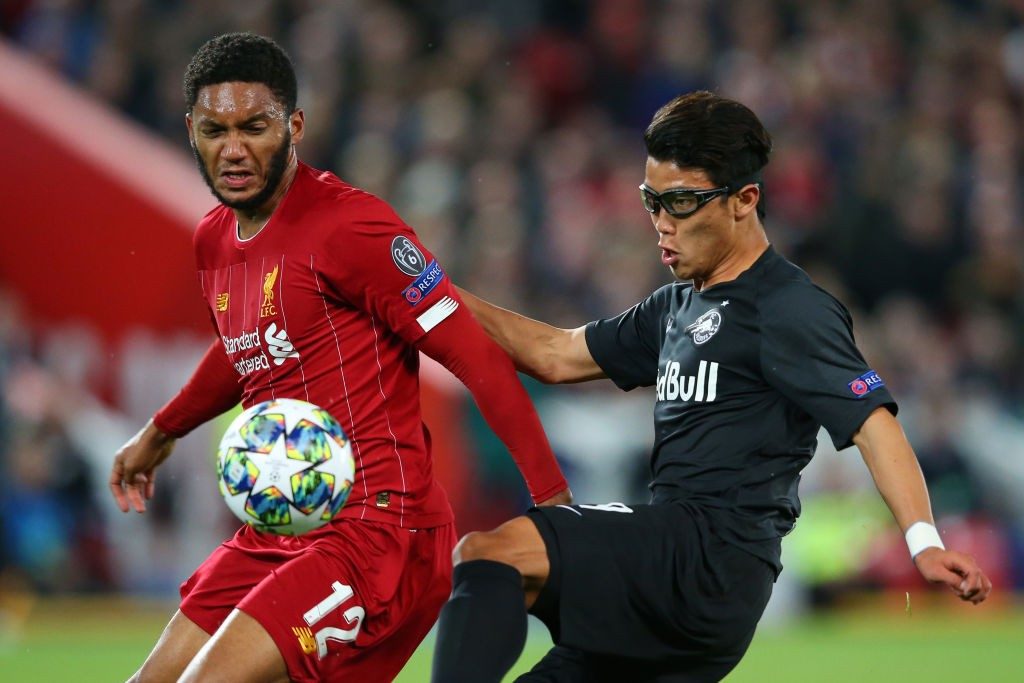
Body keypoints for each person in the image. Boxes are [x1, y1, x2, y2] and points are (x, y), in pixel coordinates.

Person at [430, 91, 992, 683]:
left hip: (710, 556)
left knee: (491, 553)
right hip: (681, 579)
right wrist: (421, 290)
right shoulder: (675, 306)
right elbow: (554, 354)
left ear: (744, 200)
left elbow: (875, 425)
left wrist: (923, 541)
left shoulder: (789, 308)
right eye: (653, 201)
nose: (662, 223)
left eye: (681, 202)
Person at [107, 32, 571, 683]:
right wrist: (161, 431)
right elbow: (246, 347)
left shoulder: (352, 228)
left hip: (379, 532)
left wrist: (553, 497)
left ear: (294, 125)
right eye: (215, 130)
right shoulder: (212, 238)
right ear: (190, 130)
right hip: (280, 523)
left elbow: (475, 355)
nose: (234, 149)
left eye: (255, 127)